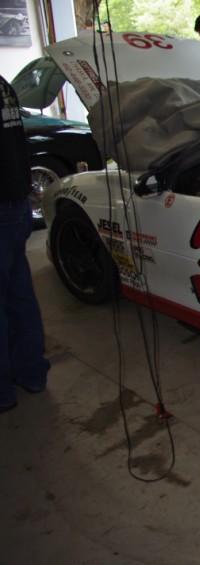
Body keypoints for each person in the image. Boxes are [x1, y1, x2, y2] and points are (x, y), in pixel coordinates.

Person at [0, 75, 50, 413]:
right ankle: (32, 373)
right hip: (15, 206)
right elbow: (20, 141)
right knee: (20, 295)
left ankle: (3, 392)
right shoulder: (4, 86)